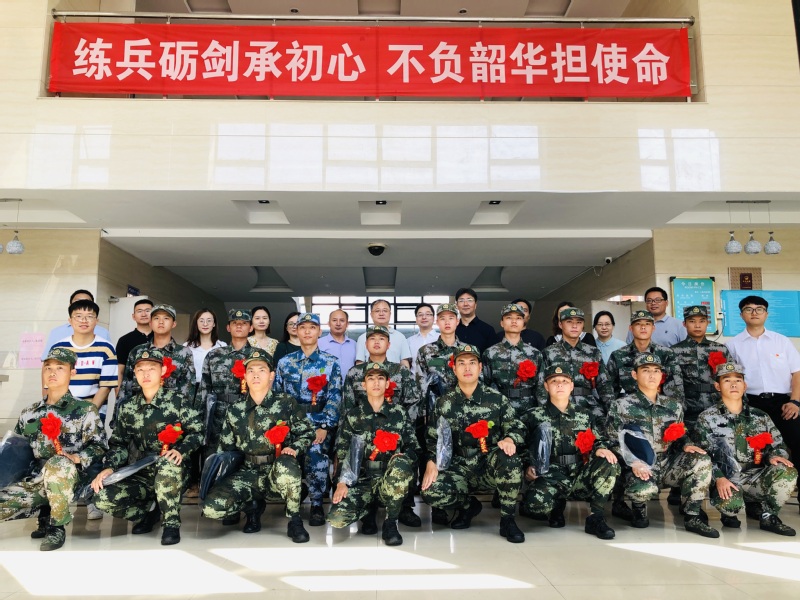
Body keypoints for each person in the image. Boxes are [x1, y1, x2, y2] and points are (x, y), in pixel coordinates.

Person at [91, 347, 203, 545]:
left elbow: (197, 433)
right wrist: (109, 467)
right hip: (141, 470)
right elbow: (119, 443)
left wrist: (181, 450)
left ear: (163, 371)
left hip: (173, 469)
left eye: (151, 368)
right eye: (140, 369)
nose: (146, 374)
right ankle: (149, 512)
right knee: (102, 498)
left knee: (167, 465)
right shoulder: (128, 407)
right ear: (134, 373)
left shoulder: (177, 401)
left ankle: (171, 523)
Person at [200, 348, 314, 543]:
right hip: (247, 472)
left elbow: (307, 432)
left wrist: (294, 448)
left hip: (277, 469)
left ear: (271, 375)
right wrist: (222, 483)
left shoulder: (286, 403)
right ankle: (252, 507)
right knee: (211, 509)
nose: (255, 375)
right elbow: (226, 449)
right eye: (251, 371)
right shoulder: (235, 410)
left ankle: (294, 520)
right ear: (244, 376)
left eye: (261, 370)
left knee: (287, 466)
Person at [0, 348, 106, 551]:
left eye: (60, 367)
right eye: (47, 367)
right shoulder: (29, 413)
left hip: (69, 479)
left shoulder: (85, 410)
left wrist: (76, 457)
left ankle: (57, 526)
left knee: (58, 463)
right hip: (35, 480)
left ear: (72, 372)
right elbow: (16, 452)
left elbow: (100, 447)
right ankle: (43, 513)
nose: (52, 372)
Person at [421, 344, 525, 543]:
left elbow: (517, 426)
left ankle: (508, 519)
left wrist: (510, 439)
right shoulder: (444, 402)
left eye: (472, 363)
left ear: (480, 367)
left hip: (488, 465)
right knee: (430, 491)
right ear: (454, 369)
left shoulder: (496, 399)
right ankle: (468, 506)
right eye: (461, 363)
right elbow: (432, 438)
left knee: (510, 459)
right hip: (457, 466)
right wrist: (431, 462)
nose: (467, 368)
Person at [607, 353, 718, 538]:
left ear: (661, 375)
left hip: (667, 464)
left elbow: (680, 435)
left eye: (656, 371)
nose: (652, 375)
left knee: (701, 460)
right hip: (638, 466)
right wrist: (634, 462)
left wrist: (686, 444)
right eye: (646, 370)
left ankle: (692, 515)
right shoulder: (621, 405)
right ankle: (639, 509)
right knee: (641, 492)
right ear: (634, 375)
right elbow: (612, 441)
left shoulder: (673, 406)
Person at [694, 362, 797, 535]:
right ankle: (728, 512)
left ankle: (769, 515)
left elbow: (778, 445)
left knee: (787, 471)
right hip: (726, 480)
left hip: (754, 476)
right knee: (731, 507)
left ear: (745, 385)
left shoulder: (760, 416)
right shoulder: (707, 418)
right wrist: (719, 478)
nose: (733, 384)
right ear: (718, 386)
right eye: (727, 380)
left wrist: (774, 456)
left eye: (738, 380)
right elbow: (701, 455)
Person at [520, 363, 619, 539]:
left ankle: (596, 517)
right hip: (550, 475)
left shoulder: (585, 415)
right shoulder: (533, 416)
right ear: (546, 386)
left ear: (572, 386)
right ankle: (555, 506)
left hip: (579, 473)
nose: (560, 385)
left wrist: (601, 449)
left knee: (608, 463)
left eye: (565, 381)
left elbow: (598, 439)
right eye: (554, 381)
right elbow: (520, 445)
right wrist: (527, 468)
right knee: (535, 506)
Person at [328, 362, 420, 546]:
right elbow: (343, 452)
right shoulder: (353, 416)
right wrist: (341, 482)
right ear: (364, 385)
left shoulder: (399, 413)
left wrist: (402, 459)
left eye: (380, 378)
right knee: (337, 519)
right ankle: (367, 512)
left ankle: (391, 522)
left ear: (387, 384)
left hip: (389, 479)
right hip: (362, 480)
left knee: (401, 465)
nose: (376, 383)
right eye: (370, 378)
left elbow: (413, 448)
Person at [341, 325, 422, 527]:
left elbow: (413, 401)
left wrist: (402, 426)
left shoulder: (400, 371)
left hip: (396, 430)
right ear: (365, 344)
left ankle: (405, 506)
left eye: (381, 338)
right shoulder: (355, 373)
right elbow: (348, 405)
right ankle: (368, 507)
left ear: (389, 344)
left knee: (406, 460)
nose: (377, 342)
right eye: (372, 338)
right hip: (363, 432)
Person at [274, 313, 343, 527]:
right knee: (289, 458)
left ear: (319, 332)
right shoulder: (285, 363)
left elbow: (335, 397)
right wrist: (281, 427)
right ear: (296, 330)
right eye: (302, 327)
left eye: (312, 327)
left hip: (318, 423)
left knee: (316, 456)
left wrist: (324, 426)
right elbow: (277, 396)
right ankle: (293, 497)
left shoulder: (330, 363)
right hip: (291, 425)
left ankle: (316, 504)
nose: (306, 331)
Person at [726, 295, 800, 463]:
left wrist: (795, 402)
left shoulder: (782, 341)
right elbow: (730, 379)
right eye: (748, 309)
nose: (754, 313)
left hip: (784, 404)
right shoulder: (732, 345)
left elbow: (797, 373)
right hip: (751, 404)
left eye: (759, 309)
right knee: (754, 448)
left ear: (766, 314)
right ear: (741, 315)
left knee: (797, 440)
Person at [117, 304, 197, 417]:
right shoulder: (137, 352)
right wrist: (117, 418)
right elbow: (126, 388)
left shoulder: (184, 353)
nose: (161, 322)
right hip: (139, 416)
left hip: (171, 417)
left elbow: (188, 391)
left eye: (166, 318)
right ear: (150, 323)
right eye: (156, 318)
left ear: (174, 324)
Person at [199, 309, 255, 457]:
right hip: (218, 415)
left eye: (244, 323)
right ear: (228, 328)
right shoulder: (214, 355)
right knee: (214, 455)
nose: (239, 326)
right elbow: (204, 388)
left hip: (247, 412)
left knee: (246, 455)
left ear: (251, 328)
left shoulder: (257, 356)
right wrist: (201, 417)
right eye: (235, 323)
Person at [49, 299, 118, 417]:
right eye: (78, 316)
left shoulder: (106, 349)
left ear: (96, 321)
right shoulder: (58, 348)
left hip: (94, 412)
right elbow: (51, 383)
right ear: (70, 320)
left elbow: (106, 387)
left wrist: (88, 414)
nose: (84, 320)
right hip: (61, 411)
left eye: (90, 316)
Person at [542, 307, 614, 419]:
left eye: (579, 322)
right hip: (559, 408)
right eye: (569, 322)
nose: (574, 326)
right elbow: (542, 385)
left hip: (589, 407)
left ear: (583, 325)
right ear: (560, 324)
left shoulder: (593, 352)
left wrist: (612, 412)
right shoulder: (549, 353)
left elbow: (604, 384)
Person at [606, 310, 685, 405]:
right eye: (638, 324)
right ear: (631, 328)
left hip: (659, 408)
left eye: (647, 324)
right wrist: (615, 409)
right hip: (629, 409)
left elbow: (676, 390)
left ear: (653, 328)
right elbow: (609, 390)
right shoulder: (618, 355)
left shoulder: (666, 354)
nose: (643, 327)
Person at [672, 305, 731, 429]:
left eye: (702, 321)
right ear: (684, 324)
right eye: (692, 321)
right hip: (689, 408)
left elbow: (732, 378)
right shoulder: (674, 351)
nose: (697, 325)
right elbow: (671, 385)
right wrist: (679, 408)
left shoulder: (720, 349)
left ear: (707, 323)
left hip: (717, 406)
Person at [482, 303, 545, 415]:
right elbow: (485, 385)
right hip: (501, 409)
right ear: (502, 323)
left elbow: (541, 387)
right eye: (509, 317)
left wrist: (542, 413)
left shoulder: (535, 354)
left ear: (523, 322)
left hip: (529, 410)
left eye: (518, 318)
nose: (514, 321)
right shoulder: (490, 353)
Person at [41, 289, 111, 360]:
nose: (82, 305)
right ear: (70, 305)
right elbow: (47, 360)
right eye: (77, 302)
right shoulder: (57, 332)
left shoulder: (103, 332)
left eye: (86, 302)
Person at [355, 300, 412, 367]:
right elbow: (360, 364)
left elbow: (404, 362)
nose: (381, 314)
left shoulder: (400, 337)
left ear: (390, 314)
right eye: (377, 311)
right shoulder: (362, 338)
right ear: (371, 314)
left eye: (385, 311)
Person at [114, 298, 153, 384]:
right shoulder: (124, 340)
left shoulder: (161, 337)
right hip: (132, 388)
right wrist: (118, 390)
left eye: (147, 311)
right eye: (139, 311)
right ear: (133, 316)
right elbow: (119, 371)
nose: (143, 314)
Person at [183, 308, 227, 384]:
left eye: (209, 321)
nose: (205, 324)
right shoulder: (187, 346)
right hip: (192, 387)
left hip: (215, 387)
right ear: (196, 323)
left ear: (214, 324)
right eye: (201, 321)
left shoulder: (222, 346)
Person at [453, 288, 496, 354]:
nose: (465, 304)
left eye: (469, 300)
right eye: (461, 300)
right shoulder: (452, 329)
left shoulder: (488, 330)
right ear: (457, 306)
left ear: (475, 305)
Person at [318, 309, 357, 381]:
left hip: (349, 386)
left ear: (347, 324)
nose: (338, 324)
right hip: (327, 386)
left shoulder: (354, 344)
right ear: (329, 323)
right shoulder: (319, 343)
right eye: (334, 320)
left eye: (342, 320)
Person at [407, 303, 439, 367]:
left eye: (428, 314)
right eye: (420, 315)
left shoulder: (441, 338)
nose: (424, 317)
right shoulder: (409, 341)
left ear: (433, 318)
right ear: (416, 319)